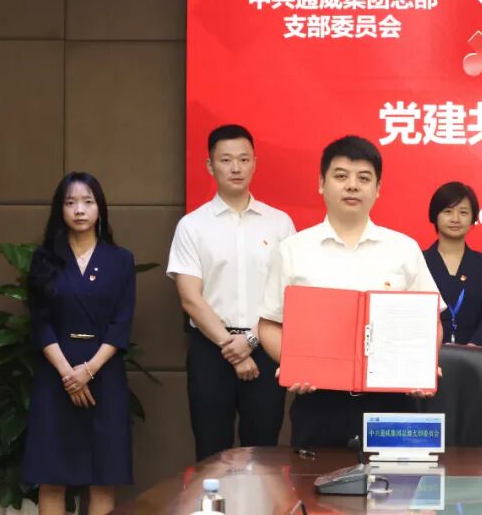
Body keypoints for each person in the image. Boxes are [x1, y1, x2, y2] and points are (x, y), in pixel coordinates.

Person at [256, 135, 441, 449]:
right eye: (341, 176)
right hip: (318, 402)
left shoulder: (403, 249)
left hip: (391, 402)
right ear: (321, 183)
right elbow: (269, 324)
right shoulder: (293, 250)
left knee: (394, 482)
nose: (352, 186)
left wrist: (421, 365)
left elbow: (431, 321)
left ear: (378, 188)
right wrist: (295, 364)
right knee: (315, 481)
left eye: (364, 178)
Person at [167, 124, 295, 462]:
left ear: (255, 163)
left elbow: (288, 293)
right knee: (211, 452)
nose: (235, 168)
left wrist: (251, 341)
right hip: (210, 350)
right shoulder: (192, 226)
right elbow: (190, 298)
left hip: (265, 348)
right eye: (225, 160)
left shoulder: (279, 223)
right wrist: (232, 348)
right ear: (210, 166)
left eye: (243, 159)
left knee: (264, 452)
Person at [22, 172, 135, 515]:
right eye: (70, 203)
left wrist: (88, 371)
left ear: (100, 208)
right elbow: (39, 322)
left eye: (88, 202)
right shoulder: (44, 259)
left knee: (102, 478)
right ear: (60, 209)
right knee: (52, 478)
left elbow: (121, 323)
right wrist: (68, 374)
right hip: (56, 374)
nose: (80, 210)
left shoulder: (121, 259)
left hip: (104, 374)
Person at [422, 181, 482, 346]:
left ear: (473, 218)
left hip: (473, 356)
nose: (455, 219)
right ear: (435, 216)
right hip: (427, 354)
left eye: (463, 212)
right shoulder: (419, 261)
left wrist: (472, 350)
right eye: (448, 211)